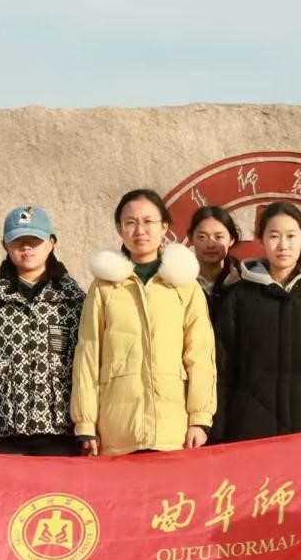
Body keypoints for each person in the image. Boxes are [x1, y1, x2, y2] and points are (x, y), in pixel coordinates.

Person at [71, 189, 216, 456]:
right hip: (117, 431)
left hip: (172, 430)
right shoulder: (105, 286)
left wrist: (199, 418)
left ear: (164, 227)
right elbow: (88, 355)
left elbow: (200, 355)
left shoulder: (184, 284)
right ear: (119, 229)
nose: (140, 231)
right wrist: (86, 423)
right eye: (130, 222)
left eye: (149, 221)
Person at [211, 202, 301, 442]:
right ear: (262, 240)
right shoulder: (240, 298)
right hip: (249, 432)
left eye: (291, 236)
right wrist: (217, 429)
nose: (283, 245)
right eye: (274, 236)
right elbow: (222, 368)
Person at [0, 205, 85, 456]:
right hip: (2, 433)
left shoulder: (73, 300)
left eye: (34, 241)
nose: (26, 248)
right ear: (5, 245)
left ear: (51, 243)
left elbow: (89, 366)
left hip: (60, 434)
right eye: (18, 242)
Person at [188, 205, 241, 316]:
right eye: (202, 237)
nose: (210, 245)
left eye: (219, 237)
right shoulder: (177, 281)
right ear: (191, 237)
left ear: (231, 239)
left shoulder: (244, 281)